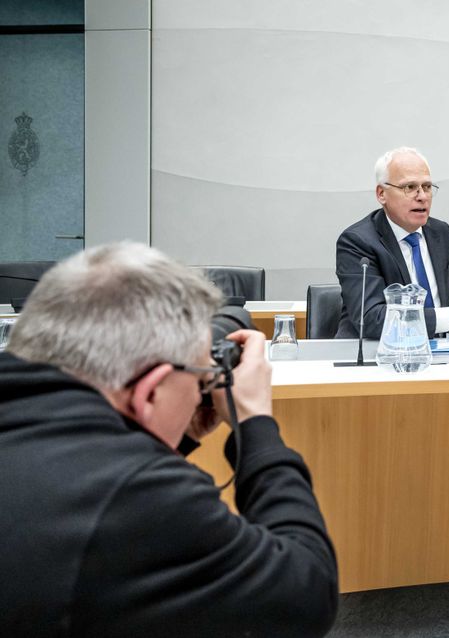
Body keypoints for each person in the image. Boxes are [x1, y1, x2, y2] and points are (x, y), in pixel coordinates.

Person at [0, 243, 338, 638]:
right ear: (151, 392)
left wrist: (181, 433)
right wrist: (255, 424)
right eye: (196, 378)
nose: (199, 392)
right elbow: (304, 595)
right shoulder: (132, 495)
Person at [335, 147, 449, 339]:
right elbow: (371, 319)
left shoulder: (440, 232)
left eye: (427, 187)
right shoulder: (357, 242)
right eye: (410, 187)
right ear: (382, 194)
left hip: (433, 353)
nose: (422, 196)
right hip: (375, 356)